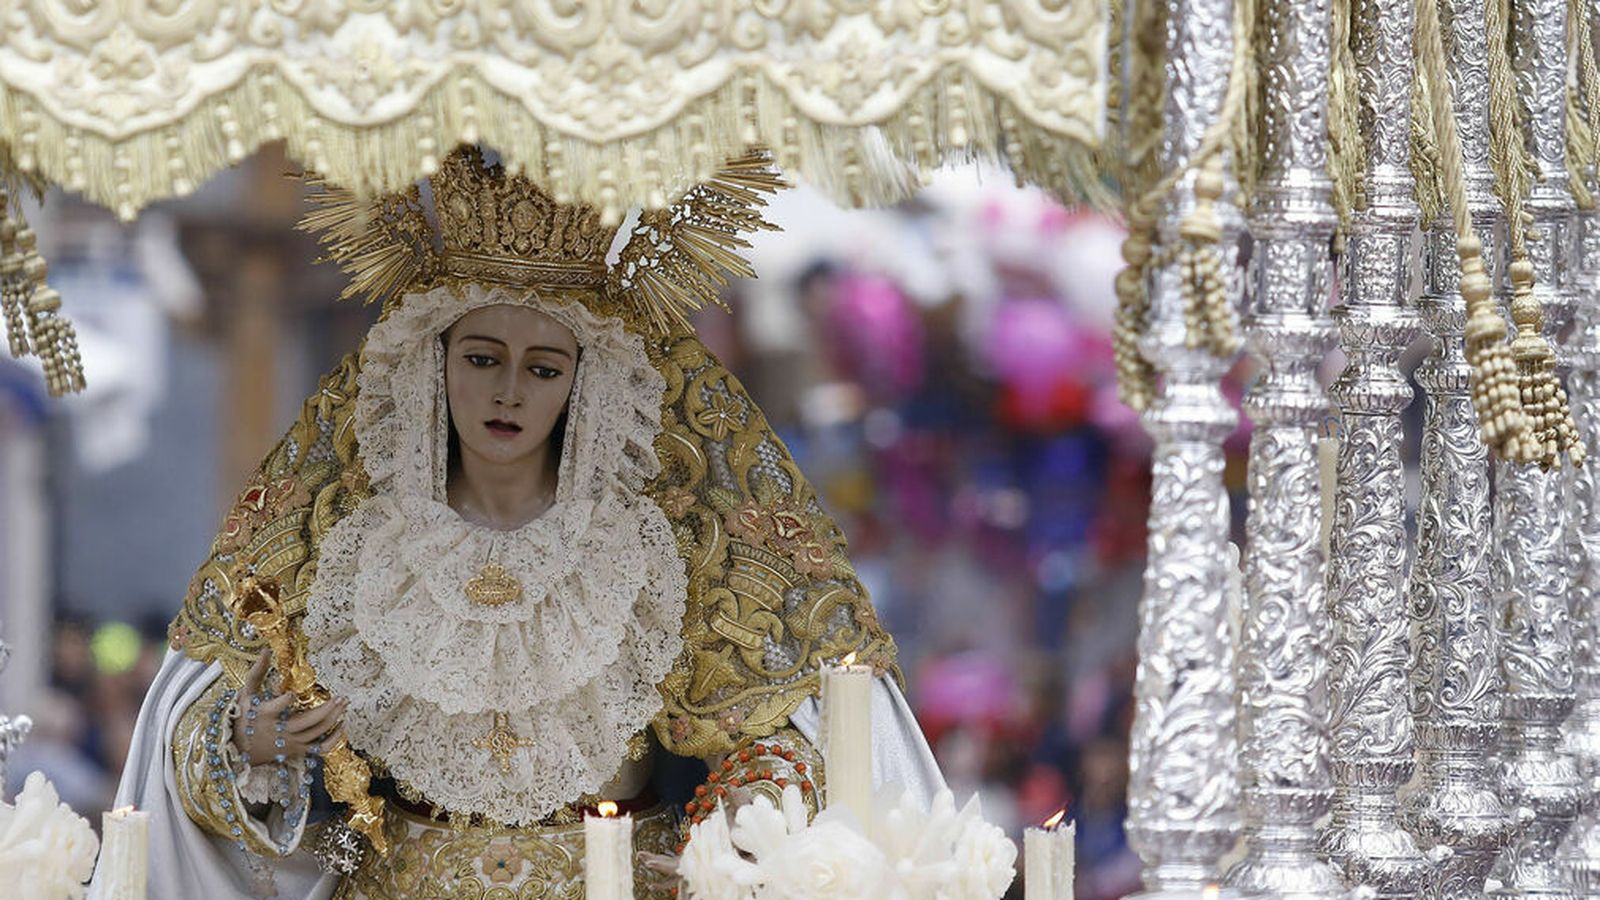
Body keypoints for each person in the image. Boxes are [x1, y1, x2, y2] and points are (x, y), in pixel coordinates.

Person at [94, 148, 943, 898]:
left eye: (542, 368)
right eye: (482, 359)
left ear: (582, 381)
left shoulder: (662, 543)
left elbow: (786, 727)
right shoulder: (348, 536)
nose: (508, 393)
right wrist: (246, 743)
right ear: (434, 363)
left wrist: (737, 829)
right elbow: (196, 732)